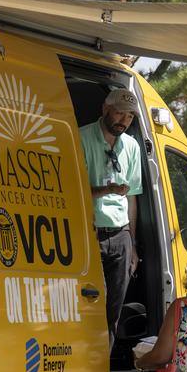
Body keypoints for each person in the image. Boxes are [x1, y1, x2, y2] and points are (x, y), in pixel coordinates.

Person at [79, 88, 143, 348]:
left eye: (129, 117)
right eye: (119, 113)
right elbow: (73, 190)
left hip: (120, 236)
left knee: (111, 313)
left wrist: (133, 244)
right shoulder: (80, 137)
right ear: (105, 108)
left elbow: (132, 198)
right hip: (89, 234)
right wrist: (107, 190)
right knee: (88, 308)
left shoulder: (132, 146)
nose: (124, 121)